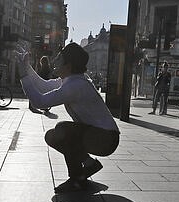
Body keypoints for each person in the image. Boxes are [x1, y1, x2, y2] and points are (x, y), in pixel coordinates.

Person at [15, 42, 120, 193]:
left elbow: (39, 102)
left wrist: (23, 75)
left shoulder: (76, 86)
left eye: (58, 59)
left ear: (68, 66)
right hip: (100, 135)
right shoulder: (72, 80)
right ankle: (88, 164)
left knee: (63, 129)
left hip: (105, 139)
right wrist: (26, 67)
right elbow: (44, 86)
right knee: (52, 136)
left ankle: (76, 179)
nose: (54, 62)